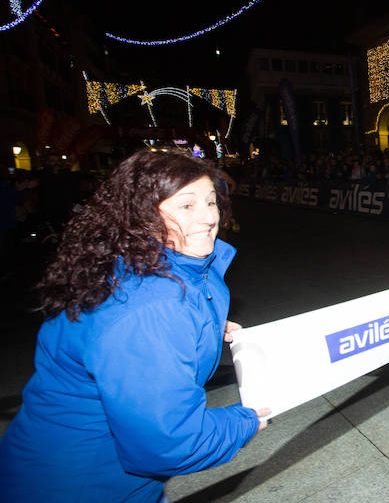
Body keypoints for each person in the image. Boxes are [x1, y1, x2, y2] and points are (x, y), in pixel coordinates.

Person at [0, 150, 269, 501]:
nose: (207, 218)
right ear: (141, 214)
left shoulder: (158, 262)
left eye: (211, 202)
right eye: (186, 206)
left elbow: (128, 333)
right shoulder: (150, 308)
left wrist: (206, 327)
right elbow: (171, 441)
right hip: (77, 484)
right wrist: (245, 422)